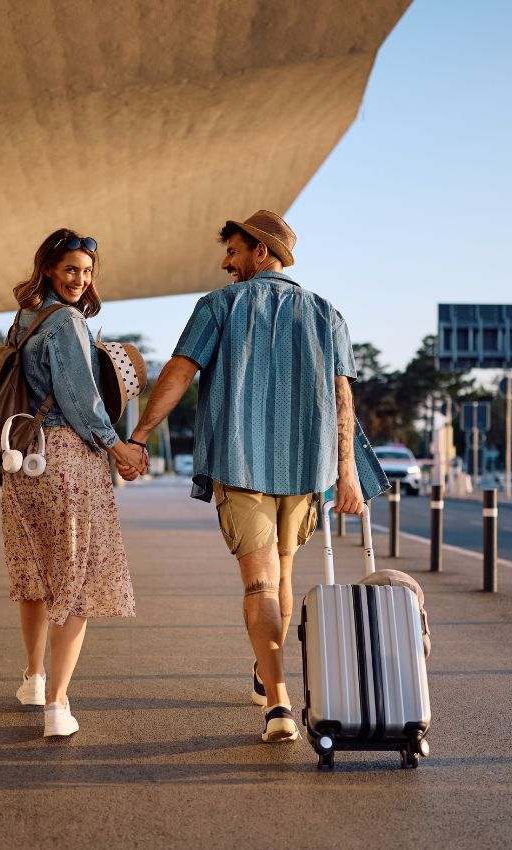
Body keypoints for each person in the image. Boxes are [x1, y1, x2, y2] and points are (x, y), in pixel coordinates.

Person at [130, 210, 384, 743]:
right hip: (305, 467)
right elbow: (343, 396)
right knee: (282, 577)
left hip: (241, 462)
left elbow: (179, 373)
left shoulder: (218, 306)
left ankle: (279, 703)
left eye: (234, 251)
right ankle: (267, 674)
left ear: (261, 253)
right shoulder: (326, 313)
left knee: (260, 582)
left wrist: (138, 436)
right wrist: (346, 473)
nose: (226, 262)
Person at [1, 228, 148, 737]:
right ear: (47, 268)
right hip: (66, 460)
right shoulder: (66, 322)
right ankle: (58, 706)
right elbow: (82, 400)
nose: (79, 281)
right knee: (75, 580)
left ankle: (34, 678)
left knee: (35, 574)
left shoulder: (21, 323)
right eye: (70, 270)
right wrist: (119, 445)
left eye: (86, 273)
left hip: (23, 461)